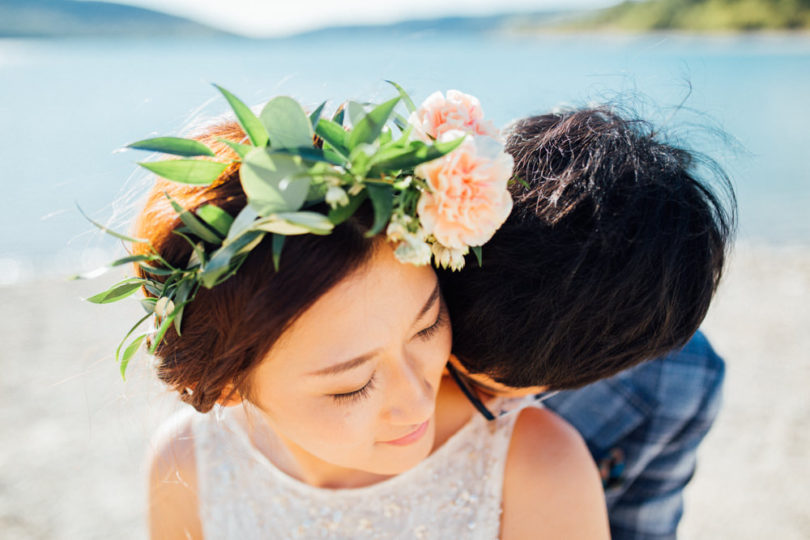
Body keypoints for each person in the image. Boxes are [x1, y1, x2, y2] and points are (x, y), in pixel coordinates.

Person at [86, 88, 610, 539]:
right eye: (352, 385)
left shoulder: (538, 464)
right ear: (228, 385)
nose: (415, 399)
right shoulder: (188, 466)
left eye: (426, 325)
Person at [439, 107, 735, 539]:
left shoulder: (680, 382)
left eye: (491, 396)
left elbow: (640, 530)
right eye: (458, 378)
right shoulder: (444, 254)